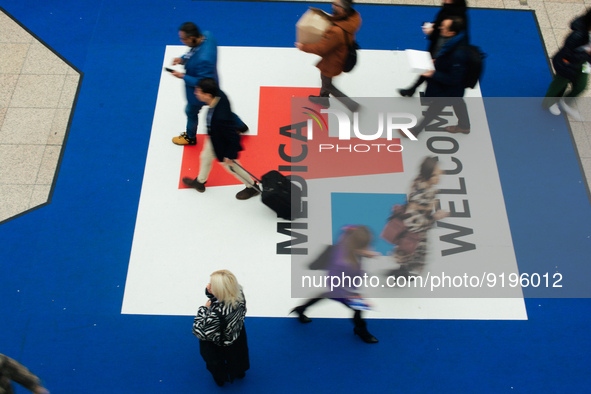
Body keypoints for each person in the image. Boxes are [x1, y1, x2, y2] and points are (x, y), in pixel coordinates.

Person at [290, 226, 380, 344]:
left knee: (324, 295)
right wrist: (355, 299)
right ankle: (361, 329)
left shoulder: (349, 238)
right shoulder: (342, 263)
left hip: (343, 280)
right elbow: (335, 287)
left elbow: (349, 230)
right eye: (366, 246)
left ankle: (300, 309)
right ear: (357, 246)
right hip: (340, 287)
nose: (369, 248)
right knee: (358, 309)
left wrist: (364, 253)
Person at [170, 22, 248, 146]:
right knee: (221, 108)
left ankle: (190, 137)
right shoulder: (207, 36)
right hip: (214, 86)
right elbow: (194, 52)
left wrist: (182, 76)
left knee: (191, 112)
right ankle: (240, 125)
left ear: (192, 38)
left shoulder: (204, 60)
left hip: (202, 92)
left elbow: (202, 82)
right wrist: (183, 59)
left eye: (183, 39)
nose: (181, 41)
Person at [182, 78, 260, 200]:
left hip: (223, 146)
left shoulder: (220, 117)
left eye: (199, 91)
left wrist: (229, 155)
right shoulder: (219, 95)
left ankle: (252, 187)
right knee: (205, 157)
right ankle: (200, 181)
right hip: (215, 138)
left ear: (207, 95)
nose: (196, 93)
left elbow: (233, 137)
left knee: (233, 168)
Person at [399, 16, 471, 138]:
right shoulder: (455, 41)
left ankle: (415, 131)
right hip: (454, 88)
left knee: (435, 108)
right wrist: (437, 61)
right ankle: (464, 125)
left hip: (449, 88)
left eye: (443, 27)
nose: (440, 28)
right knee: (457, 101)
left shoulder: (458, 54)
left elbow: (454, 79)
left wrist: (433, 73)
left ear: (451, 32)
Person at [295, 0, 361, 112]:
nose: (332, 6)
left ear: (342, 9)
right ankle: (324, 99)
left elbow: (322, 49)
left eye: (335, 5)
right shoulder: (354, 17)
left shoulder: (336, 31)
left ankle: (352, 106)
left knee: (328, 85)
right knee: (326, 81)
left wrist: (303, 47)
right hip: (342, 53)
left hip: (333, 61)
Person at [388, 157, 449, 278]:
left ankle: (403, 271)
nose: (439, 178)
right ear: (427, 176)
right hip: (414, 234)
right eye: (435, 175)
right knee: (410, 252)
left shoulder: (420, 182)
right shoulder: (421, 195)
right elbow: (413, 221)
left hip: (415, 232)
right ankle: (401, 273)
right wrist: (434, 217)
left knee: (407, 253)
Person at [398, 0, 468, 98]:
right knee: (428, 66)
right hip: (439, 45)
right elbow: (441, 23)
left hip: (444, 48)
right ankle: (414, 88)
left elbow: (453, 78)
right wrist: (434, 27)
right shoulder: (448, 9)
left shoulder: (458, 17)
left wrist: (433, 32)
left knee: (432, 70)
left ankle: (418, 90)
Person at [193, 270, 249, 387]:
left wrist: (203, 309)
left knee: (215, 362)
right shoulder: (238, 293)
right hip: (237, 334)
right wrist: (212, 292)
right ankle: (240, 371)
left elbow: (200, 332)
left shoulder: (216, 314)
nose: (208, 286)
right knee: (239, 355)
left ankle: (220, 378)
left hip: (219, 342)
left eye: (212, 285)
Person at [542, 10, 591, 119]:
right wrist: (586, 52)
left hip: (585, 63)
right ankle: (549, 103)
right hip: (568, 64)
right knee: (559, 85)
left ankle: (565, 102)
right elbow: (567, 54)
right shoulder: (577, 35)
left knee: (581, 86)